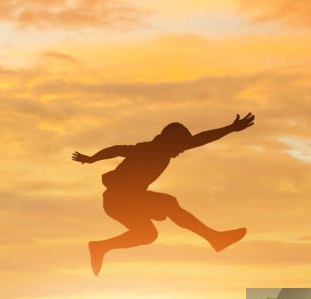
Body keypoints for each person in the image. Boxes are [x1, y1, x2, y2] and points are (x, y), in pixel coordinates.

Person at [72, 113, 255, 275]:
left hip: (121, 203)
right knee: (169, 204)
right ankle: (215, 238)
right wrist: (92, 158)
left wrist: (230, 128)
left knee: (147, 235)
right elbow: (117, 149)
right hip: (119, 200)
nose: (181, 151)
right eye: (180, 146)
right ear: (169, 141)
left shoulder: (165, 150)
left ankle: (100, 247)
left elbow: (200, 139)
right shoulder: (148, 150)